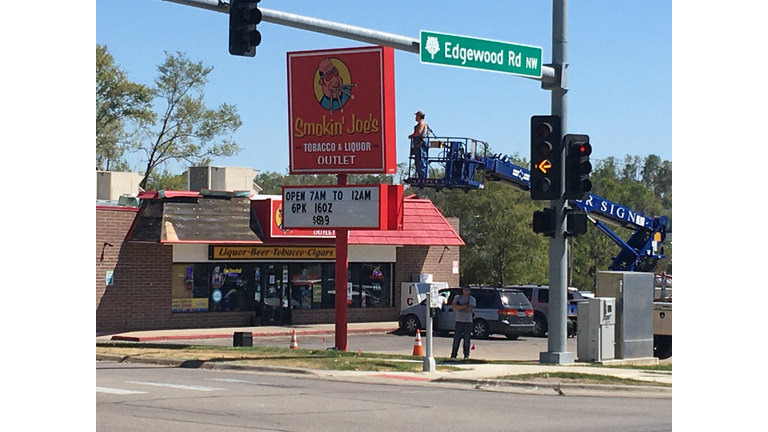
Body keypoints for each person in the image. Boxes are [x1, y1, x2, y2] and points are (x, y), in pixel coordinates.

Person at [451, 287, 476, 359]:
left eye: (467, 290)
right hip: (459, 321)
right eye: (464, 290)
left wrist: (459, 306)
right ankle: (453, 355)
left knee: (467, 339)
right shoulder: (457, 297)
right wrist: (465, 305)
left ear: (469, 291)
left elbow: (469, 309)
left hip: (468, 322)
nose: (466, 291)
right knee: (456, 339)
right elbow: (454, 306)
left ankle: (466, 355)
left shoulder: (472, 299)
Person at [408, 110, 429, 178]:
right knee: (420, 160)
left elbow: (419, 132)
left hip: (420, 144)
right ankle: (422, 176)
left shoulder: (421, 123)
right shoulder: (423, 123)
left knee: (421, 160)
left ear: (419, 116)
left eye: (416, 116)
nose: (415, 117)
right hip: (420, 144)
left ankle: (423, 177)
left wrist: (411, 136)